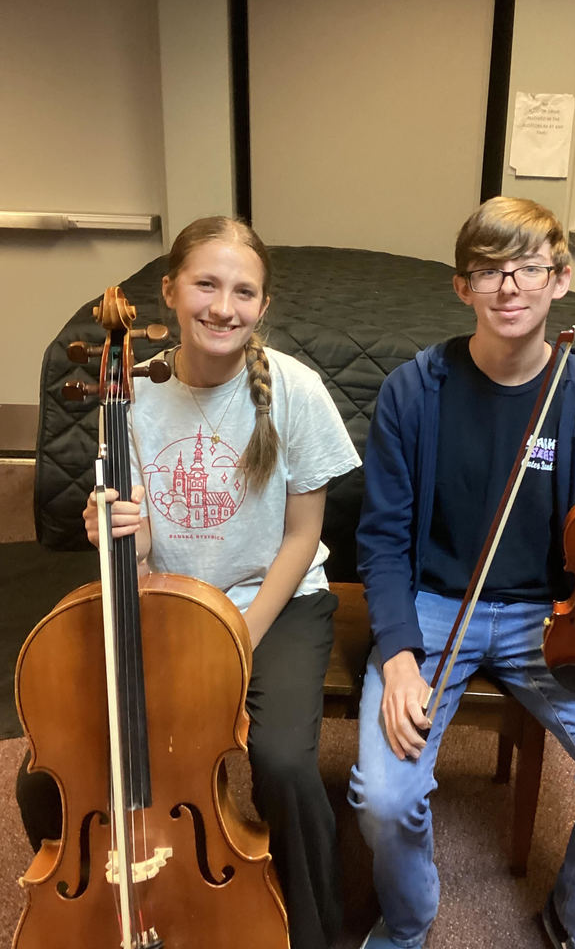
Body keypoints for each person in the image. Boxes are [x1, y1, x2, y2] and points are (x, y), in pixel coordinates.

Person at [17, 216, 361, 949]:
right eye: (205, 284)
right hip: (167, 600)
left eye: (243, 291)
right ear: (171, 291)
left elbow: (302, 539)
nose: (222, 306)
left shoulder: (294, 391)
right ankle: (90, 899)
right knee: (47, 771)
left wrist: (237, 637)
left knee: (283, 763)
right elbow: (139, 544)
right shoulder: (130, 392)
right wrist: (120, 538)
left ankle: (317, 933)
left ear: (263, 307)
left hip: (272, 602)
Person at [348, 196, 575, 949]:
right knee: (384, 798)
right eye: (489, 271)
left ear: (560, 281)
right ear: (463, 288)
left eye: (528, 268)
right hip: (434, 608)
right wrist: (397, 657)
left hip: (555, 615)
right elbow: (383, 541)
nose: (509, 286)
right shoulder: (412, 391)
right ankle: (408, 924)